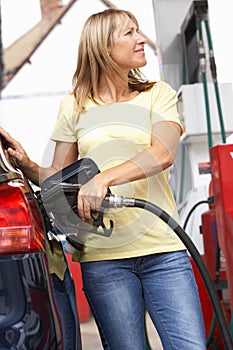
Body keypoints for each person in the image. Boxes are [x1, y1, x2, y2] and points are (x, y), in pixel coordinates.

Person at [0, 8, 207, 350]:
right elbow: (57, 180)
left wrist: (104, 177)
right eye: (129, 33)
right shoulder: (74, 106)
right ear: (102, 47)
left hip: (163, 252)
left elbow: (163, 152)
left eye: (139, 31)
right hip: (104, 260)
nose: (141, 39)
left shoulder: (158, 94)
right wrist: (27, 164)